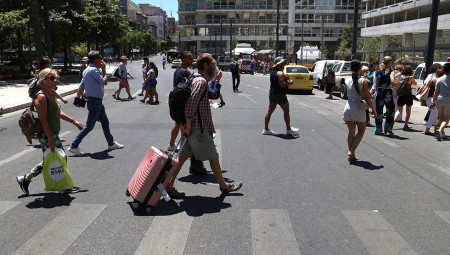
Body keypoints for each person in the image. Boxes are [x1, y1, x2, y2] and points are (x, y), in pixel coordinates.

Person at [166, 53, 242, 199]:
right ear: (206, 66)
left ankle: (168, 185)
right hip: (198, 130)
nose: (215, 67)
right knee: (213, 157)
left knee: (181, 159)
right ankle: (224, 186)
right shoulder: (200, 82)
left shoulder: (196, 78)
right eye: (213, 64)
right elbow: (190, 106)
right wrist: (188, 126)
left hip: (193, 129)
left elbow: (206, 97)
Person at [16, 68, 83, 195]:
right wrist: (50, 137)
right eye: (52, 78)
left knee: (53, 158)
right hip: (47, 133)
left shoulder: (50, 93)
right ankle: (62, 185)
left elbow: (57, 112)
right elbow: (43, 119)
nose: (55, 80)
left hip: (52, 133)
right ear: (43, 80)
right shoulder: (41, 97)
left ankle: (26, 179)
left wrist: (73, 121)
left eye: (56, 77)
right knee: (58, 158)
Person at [68, 50, 124, 156]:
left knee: (105, 122)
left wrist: (77, 99)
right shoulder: (94, 70)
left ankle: (111, 143)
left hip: (95, 102)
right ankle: (74, 145)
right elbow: (104, 82)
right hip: (95, 102)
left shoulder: (87, 70)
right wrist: (104, 70)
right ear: (96, 60)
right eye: (100, 58)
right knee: (89, 126)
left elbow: (81, 86)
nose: (102, 60)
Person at [168, 51, 208, 175]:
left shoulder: (177, 71)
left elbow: (176, 88)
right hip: (184, 109)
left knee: (186, 136)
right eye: (190, 58)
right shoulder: (185, 73)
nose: (192, 60)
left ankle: (194, 164)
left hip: (178, 108)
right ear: (184, 59)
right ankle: (194, 165)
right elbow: (187, 92)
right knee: (189, 138)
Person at [343, 60, 376, 163]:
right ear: (360, 68)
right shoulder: (363, 81)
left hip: (347, 107)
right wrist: (373, 109)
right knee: (361, 131)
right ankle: (351, 150)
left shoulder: (347, 79)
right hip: (358, 108)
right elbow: (367, 96)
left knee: (351, 131)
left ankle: (351, 154)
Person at [262, 57, 300, 136]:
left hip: (272, 93)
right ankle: (289, 129)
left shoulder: (272, 72)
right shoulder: (280, 73)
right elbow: (282, 85)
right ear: (278, 64)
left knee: (269, 111)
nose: (284, 64)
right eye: (282, 63)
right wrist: (290, 83)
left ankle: (266, 129)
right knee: (286, 111)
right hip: (280, 94)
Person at [417, 68, 443, 135]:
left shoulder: (432, 80)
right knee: (433, 113)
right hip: (434, 99)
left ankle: (436, 128)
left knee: (435, 113)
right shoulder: (441, 81)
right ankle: (427, 130)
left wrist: (419, 93)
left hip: (428, 99)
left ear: (436, 74)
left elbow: (425, 87)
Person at [374, 56, 395, 135]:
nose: (392, 63)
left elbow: (376, 84)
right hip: (388, 92)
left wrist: (376, 92)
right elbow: (393, 82)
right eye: (391, 61)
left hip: (379, 92)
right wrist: (397, 85)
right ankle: (388, 128)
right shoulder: (391, 71)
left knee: (379, 111)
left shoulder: (378, 71)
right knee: (390, 110)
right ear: (389, 62)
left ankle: (378, 129)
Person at [431, 62, 450, 141]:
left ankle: (440, 131)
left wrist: (433, 100)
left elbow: (436, 91)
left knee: (440, 116)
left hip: (439, 99)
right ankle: (440, 129)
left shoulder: (439, 79)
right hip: (448, 99)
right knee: (446, 118)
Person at [394, 65, 417, 130]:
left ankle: (392, 121)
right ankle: (406, 124)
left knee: (399, 110)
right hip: (408, 95)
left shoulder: (400, 76)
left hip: (400, 95)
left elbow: (397, 85)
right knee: (408, 111)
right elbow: (415, 84)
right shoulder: (411, 77)